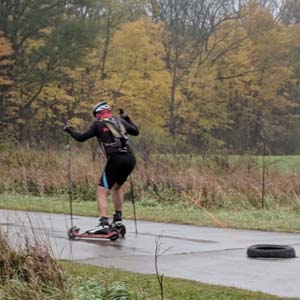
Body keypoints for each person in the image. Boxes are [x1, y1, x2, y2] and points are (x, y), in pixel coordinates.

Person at [63, 101, 139, 234]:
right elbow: (136, 131)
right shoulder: (120, 122)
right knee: (117, 187)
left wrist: (70, 130)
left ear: (98, 113)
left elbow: (81, 138)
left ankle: (103, 223)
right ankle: (118, 220)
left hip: (115, 159)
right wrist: (126, 118)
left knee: (101, 190)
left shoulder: (98, 124)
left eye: (95, 115)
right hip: (130, 159)